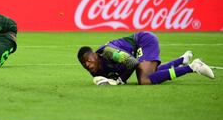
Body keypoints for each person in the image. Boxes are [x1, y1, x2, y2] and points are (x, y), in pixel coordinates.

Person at [77, 31, 215, 85]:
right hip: (136, 50)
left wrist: (120, 80)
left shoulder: (108, 52)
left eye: (88, 60)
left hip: (143, 41)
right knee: (149, 72)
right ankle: (182, 60)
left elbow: (132, 62)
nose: (87, 65)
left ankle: (192, 67)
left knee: (145, 79)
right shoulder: (94, 70)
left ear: (95, 55)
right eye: (84, 64)